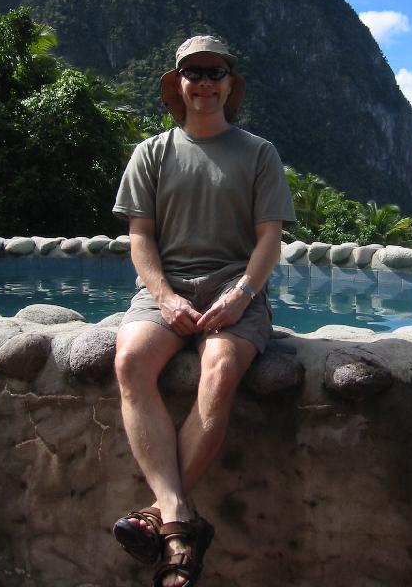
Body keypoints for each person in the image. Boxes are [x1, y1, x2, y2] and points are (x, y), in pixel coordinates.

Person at [111, 35, 295, 587]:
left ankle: (162, 521)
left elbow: (269, 239)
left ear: (230, 84)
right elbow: (140, 238)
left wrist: (241, 295)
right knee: (130, 361)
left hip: (235, 287)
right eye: (194, 73)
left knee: (219, 372)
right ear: (179, 84)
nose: (205, 83)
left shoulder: (259, 153)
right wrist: (165, 297)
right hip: (166, 287)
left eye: (216, 72)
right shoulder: (151, 153)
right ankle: (179, 518)